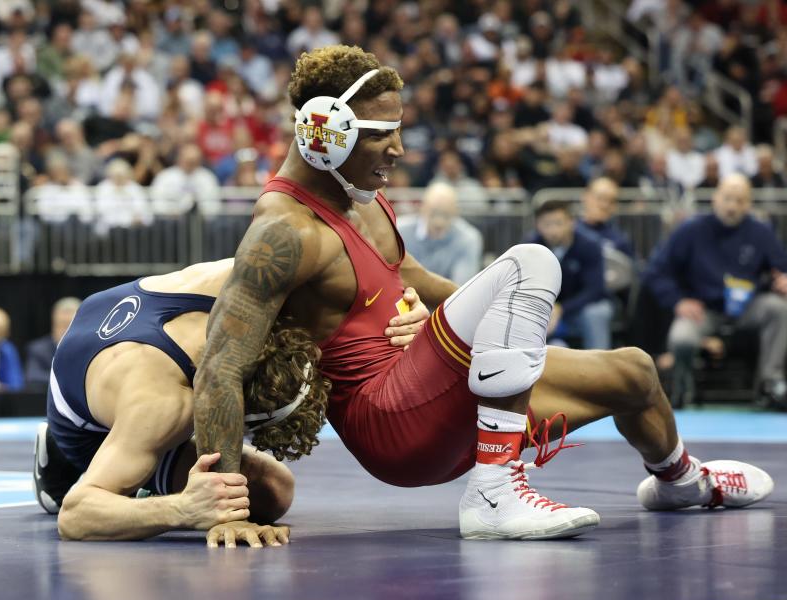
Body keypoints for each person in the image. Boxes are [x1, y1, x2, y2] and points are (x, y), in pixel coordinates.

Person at [191, 45, 772, 546]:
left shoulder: (360, 196)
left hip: (437, 391)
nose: (398, 149)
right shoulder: (283, 231)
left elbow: (412, 279)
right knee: (530, 263)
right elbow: (220, 367)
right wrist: (228, 509)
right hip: (391, 422)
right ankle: (495, 492)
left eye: (399, 130)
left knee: (635, 373)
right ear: (325, 133)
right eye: (381, 134)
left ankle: (681, 482)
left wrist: (477, 321)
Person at [34, 260, 428, 546]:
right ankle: (63, 459)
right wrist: (183, 510)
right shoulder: (165, 405)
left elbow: (374, 275)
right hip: (85, 424)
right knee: (272, 491)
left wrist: (409, 311)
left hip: (115, 316)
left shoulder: (250, 289)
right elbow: (76, 515)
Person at [644, 174, 787, 410]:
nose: (732, 206)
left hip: (747, 307)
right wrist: (678, 301)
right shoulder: (690, 230)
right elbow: (656, 272)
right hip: (702, 310)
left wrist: (783, 278)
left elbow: (781, 265)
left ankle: (769, 385)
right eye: (728, 198)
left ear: (748, 204)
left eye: (740, 200)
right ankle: (683, 388)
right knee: (681, 337)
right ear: (715, 199)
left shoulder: (761, 232)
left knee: (779, 309)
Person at [531, 201, 613, 350]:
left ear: (571, 223)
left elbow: (595, 289)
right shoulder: (530, 247)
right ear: (537, 225)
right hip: (546, 310)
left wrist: (561, 309)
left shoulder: (590, 245)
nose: (553, 230)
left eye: (558, 223)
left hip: (579, 308)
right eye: (546, 224)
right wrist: (546, 308)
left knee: (597, 312)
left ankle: (598, 365)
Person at [397, 182, 483, 285]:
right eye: (434, 213)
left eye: (446, 214)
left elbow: (461, 288)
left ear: (456, 212)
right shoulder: (399, 231)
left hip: (446, 300)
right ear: (423, 208)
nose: (439, 222)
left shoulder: (468, 239)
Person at [25, 297, 81, 389]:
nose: (65, 331)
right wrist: (68, 380)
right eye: (61, 325)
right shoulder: (38, 349)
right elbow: (33, 377)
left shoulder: (90, 350)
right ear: (53, 323)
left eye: (70, 325)